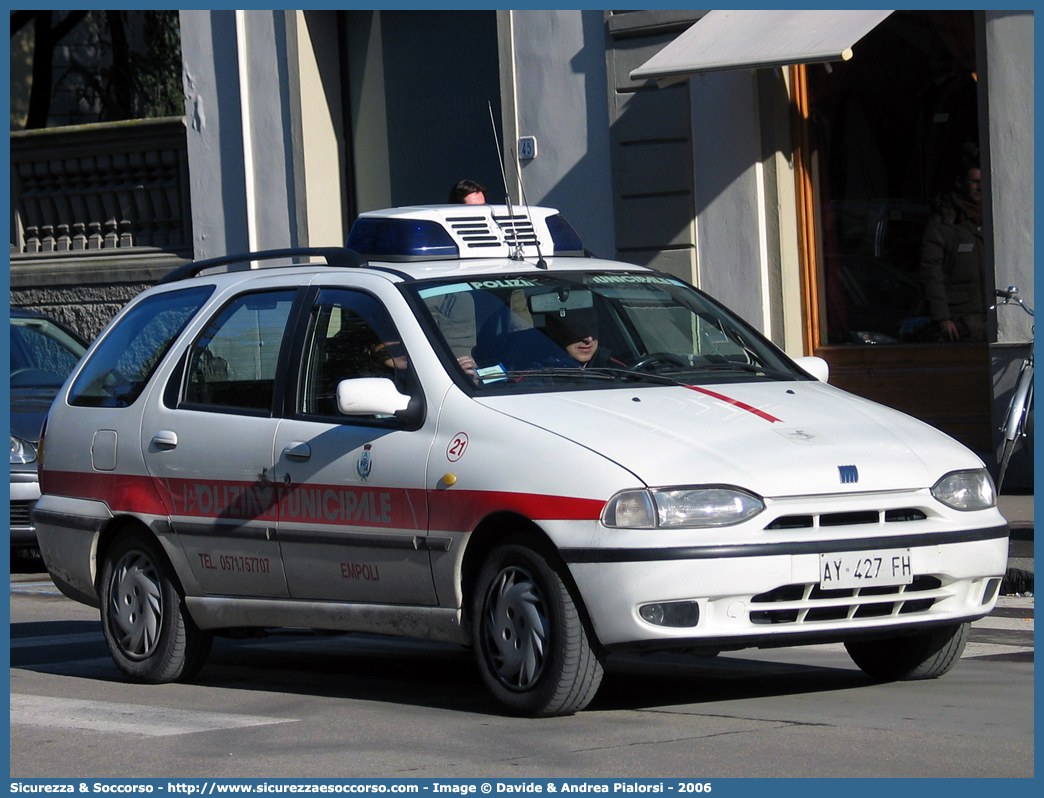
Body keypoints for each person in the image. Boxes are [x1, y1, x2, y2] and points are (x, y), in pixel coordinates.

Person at [919, 147, 987, 342]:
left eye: (983, 182)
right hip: (961, 323)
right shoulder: (943, 223)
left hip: (993, 317)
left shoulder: (996, 217)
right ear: (960, 183)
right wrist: (942, 318)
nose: (980, 188)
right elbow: (931, 272)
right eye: (974, 182)